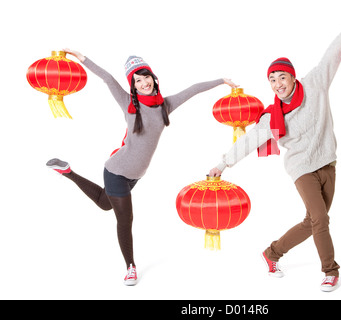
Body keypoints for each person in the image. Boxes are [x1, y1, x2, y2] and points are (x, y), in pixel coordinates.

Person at [209, 12, 341, 292]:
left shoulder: (315, 84)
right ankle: (330, 271)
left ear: (292, 76)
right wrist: (223, 164)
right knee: (321, 219)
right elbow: (248, 142)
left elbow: (333, 53)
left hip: (328, 163)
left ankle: (272, 253)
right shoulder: (271, 116)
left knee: (312, 222)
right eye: (272, 80)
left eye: (281, 77)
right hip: (301, 169)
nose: (277, 84)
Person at [47, 49, 238, 285]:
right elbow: (107, 78)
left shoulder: (164, 106)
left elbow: (192, 90)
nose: (144, 82)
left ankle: (68, 172)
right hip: (117, 170)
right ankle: (130, 267)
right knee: (124, 220)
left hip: (134, 176)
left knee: (106, 204)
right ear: (133, 85)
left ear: (153, 78)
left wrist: (221, 81)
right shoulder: (128, 103)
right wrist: (81, 57)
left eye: (146, 77)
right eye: (138, 80)